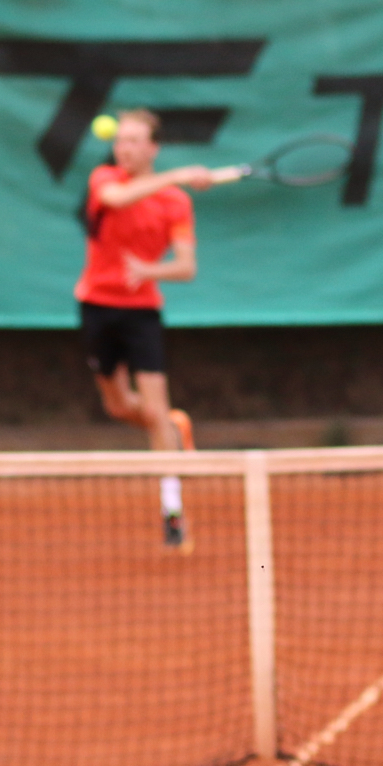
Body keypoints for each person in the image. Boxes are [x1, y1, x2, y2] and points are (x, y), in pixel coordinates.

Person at [76, 109, 238, 551]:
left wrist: (150, 270)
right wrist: (179, 175)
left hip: (142, 312)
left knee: (154, 404)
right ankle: (172, 428)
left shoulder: (176, 203)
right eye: (120, 140)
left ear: (153, 148)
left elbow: (186, 267)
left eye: (134, 141)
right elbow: (117, 200)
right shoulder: (103, 179)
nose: (124, 148)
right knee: (119, 407)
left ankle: (172, 511)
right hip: (97, 305)